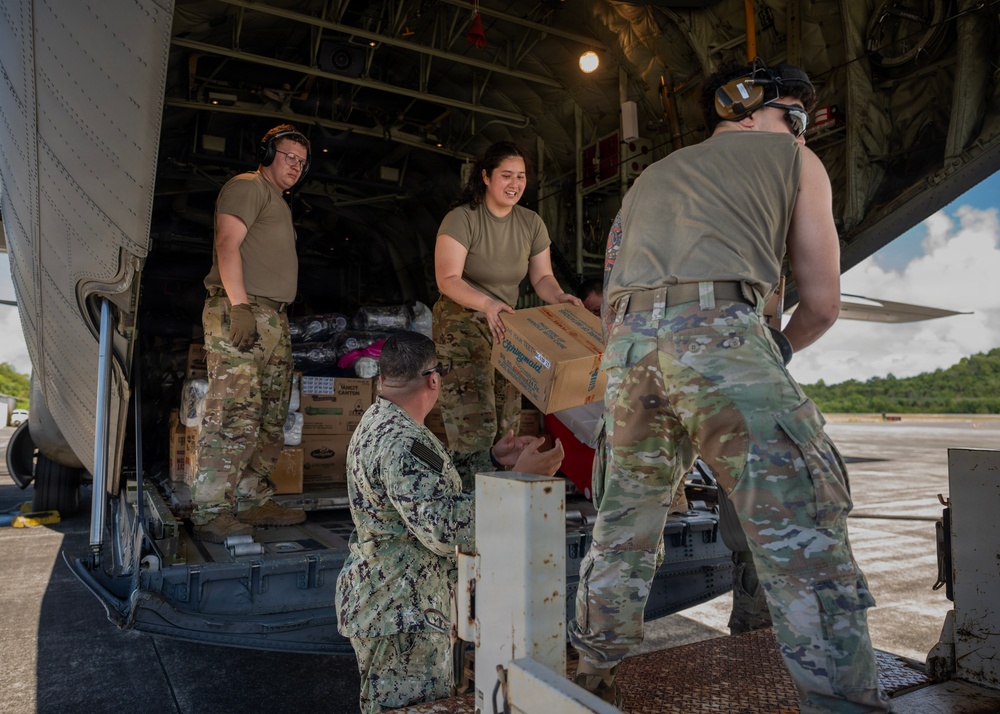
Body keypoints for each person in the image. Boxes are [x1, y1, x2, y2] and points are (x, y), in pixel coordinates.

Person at [568, 60, 892, 712]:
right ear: (751, 112)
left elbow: (609, 307)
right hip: (719, 334)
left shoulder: (646, 183)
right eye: (794, 118)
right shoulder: (794, 163)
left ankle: (586, 674)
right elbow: (822, 304)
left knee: (623, 530)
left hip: (630, 353)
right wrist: (771, 348)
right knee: (804, 531)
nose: (801, 134)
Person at [335, 331, 564, 713]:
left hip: (392, 599)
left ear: (382, 380)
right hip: (403, 610)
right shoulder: (403, 442)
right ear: (434, 380)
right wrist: (521, 480)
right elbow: (445, 531)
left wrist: (491, 458)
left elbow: (425, 483)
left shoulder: (383, 421)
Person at [190, 124, 311, 543]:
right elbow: (227, 244)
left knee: (271, 416)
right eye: (288, 156)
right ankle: (210, 509)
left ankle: (250, 498)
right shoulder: (249, 187)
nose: (295, 165)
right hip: (243, 310)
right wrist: (239, 305)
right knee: (233, 413)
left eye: (301, 160)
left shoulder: (278, 201)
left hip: (273, 317)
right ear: (266, 154)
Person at [433, 141, 581, 454]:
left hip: (504, 326)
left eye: (521, 176)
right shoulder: (462, 218)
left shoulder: (531, 223)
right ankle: (469, 498)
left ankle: (500, 493)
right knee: (475, 425)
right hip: (461, 323)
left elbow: (542, 277)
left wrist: (559, 298)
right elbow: (447, 279)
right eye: (506, 175)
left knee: (507, 422)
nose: (515, 184)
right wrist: (487, 303)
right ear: (486, 176)